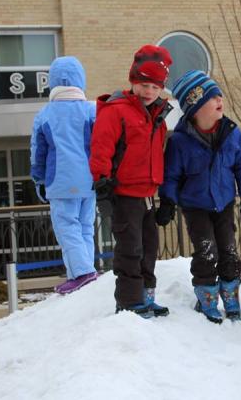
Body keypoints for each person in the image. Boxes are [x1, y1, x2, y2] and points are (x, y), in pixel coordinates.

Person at [157, 70, 241, 324]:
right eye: (212, 98)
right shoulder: (180, 141)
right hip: (196, 207)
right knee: (206, 251)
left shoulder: (231, 133)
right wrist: (167, 201)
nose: (219, 100)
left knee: (229, 250)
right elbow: (171, 175)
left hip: (224, 203)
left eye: (219, 95)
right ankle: (207, 298)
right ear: (195, 108)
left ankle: (231, 296)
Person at [90, 44, 174, 318]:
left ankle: (146, 296)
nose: (149, 91)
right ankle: (128, 301)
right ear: (133, 81)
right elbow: (101, 146)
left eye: (155, 87)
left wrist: (164, 194)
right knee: (130, 249)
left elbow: (158, 156)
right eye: (144, 84)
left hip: (149, 194)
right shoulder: (116, 111)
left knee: (149, 248)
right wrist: (101, 179)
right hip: (124, 194)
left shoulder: (158, 117)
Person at [31, 56, 98, 295]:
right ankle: (82, 273)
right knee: (85, 227)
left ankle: (83, 273)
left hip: (59, 180)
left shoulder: (45, 115)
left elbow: (38, 152)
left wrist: (38, 179)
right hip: (90, 180)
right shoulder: (92, 111)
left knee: (66, 227)